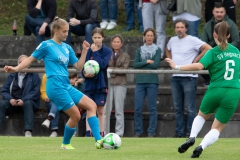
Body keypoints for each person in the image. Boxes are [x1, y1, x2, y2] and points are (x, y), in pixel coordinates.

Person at [4, 17, 103, 150]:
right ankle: (66, 143)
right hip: (54, 85)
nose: (67, 34)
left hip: (65, 84)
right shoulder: (46, 45)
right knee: (76, 115)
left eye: (68, 31)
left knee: (91, 106)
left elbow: (79, 67)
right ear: (55, 31)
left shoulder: (67, 47)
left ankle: (99, 141)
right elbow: (30, 59)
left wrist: (85, 51)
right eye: (64, 31)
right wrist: (16, 69)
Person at [165, 21, 240, 158]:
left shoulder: (213, 52)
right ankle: (201, 146)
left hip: (215, 89)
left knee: (201, 115)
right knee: (217, 128)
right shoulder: (236, 52)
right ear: (229, 35)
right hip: (233, 91)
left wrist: (177, 67)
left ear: (214, 35)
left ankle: (192, 137)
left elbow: (199, 66)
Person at [165, 19, 211, 138]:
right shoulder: (172, 40)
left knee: (190, 108)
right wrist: (171, 60)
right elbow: (167, 49)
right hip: (176, 77)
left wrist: (197, 59)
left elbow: (208, 48)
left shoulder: (192, 40)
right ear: (175, 29)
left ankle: (190, 133)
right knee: (177, 108)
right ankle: (179, 133)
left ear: (186, 28)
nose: (179, 29)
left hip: (189, 77)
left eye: (181, 27)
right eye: (177, 27)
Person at [0, 55, 41, 137]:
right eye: (20, 63)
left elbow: (35, 92)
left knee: (28, 103)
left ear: (28, 64)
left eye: (24, 63)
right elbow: (4, 90)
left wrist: (23, 100)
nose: (22, 65)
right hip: (13, 103)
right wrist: (10, 99)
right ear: (18, 64)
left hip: (27, 103)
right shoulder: (12, 76)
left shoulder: (34, 76)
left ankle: (28, 131)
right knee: (2, 104)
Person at [201, 2, 239, 86]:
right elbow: (203, 42)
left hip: (228, 50)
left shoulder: (231, 24)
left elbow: (236, 40)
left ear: (225, 12)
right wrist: (213, 49)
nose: (219, 14)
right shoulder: (207, 25)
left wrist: (227, 48)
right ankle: (209, 79)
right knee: (199, 57)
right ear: (213, 12)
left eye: (221, 12)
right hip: (212, 50)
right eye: (217, 12)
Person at [82, 27, 112, 137]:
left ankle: (101, 132)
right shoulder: (88, 50)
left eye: (99, 37)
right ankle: (88, 132)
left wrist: (95, 53)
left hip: (101, 84)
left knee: (100, 111)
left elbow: (103, 65)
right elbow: (83, 66)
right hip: (89, 84)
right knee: (89, 109)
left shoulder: (107, 51)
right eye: (95, 38)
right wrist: (84, 74)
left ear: (103, 38)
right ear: (92, 38)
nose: (97, 40)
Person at [134, 28, 161, 137]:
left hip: (152, 81)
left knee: (152, 108)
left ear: (154, 37)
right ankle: (138, 131)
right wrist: (147, 61)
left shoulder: (157, 50)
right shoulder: (139, 50)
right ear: (144, 37)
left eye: (151, 35)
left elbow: (156, 65)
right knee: (137, 108)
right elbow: (135, 64)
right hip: (140, 81)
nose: (149, 37)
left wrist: (142, 64)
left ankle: (151, 132)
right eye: (147, 35)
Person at [104, 35, 130, 137]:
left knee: (119, 110)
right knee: (107, 109)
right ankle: (105, 131)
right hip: (108, 83)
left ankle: (119, 133)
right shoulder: (107, 54)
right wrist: (114, 69)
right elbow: (105, 66)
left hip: (120, 83)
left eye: (118, 42)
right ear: (111, 43)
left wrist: (112, 70)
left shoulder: (126, 56)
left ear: (121, 43)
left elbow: (124, 69)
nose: (116, 43)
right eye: (114, 41)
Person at [69, 71, 86, 136]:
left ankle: (74, 131)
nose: (70, 81)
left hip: (81, 105)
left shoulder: (81, 84)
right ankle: (73, 131)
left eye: (72, 79)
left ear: (76, 78)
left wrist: (76, 85)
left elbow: (78, 96)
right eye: (69, 79)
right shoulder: (68, 85)